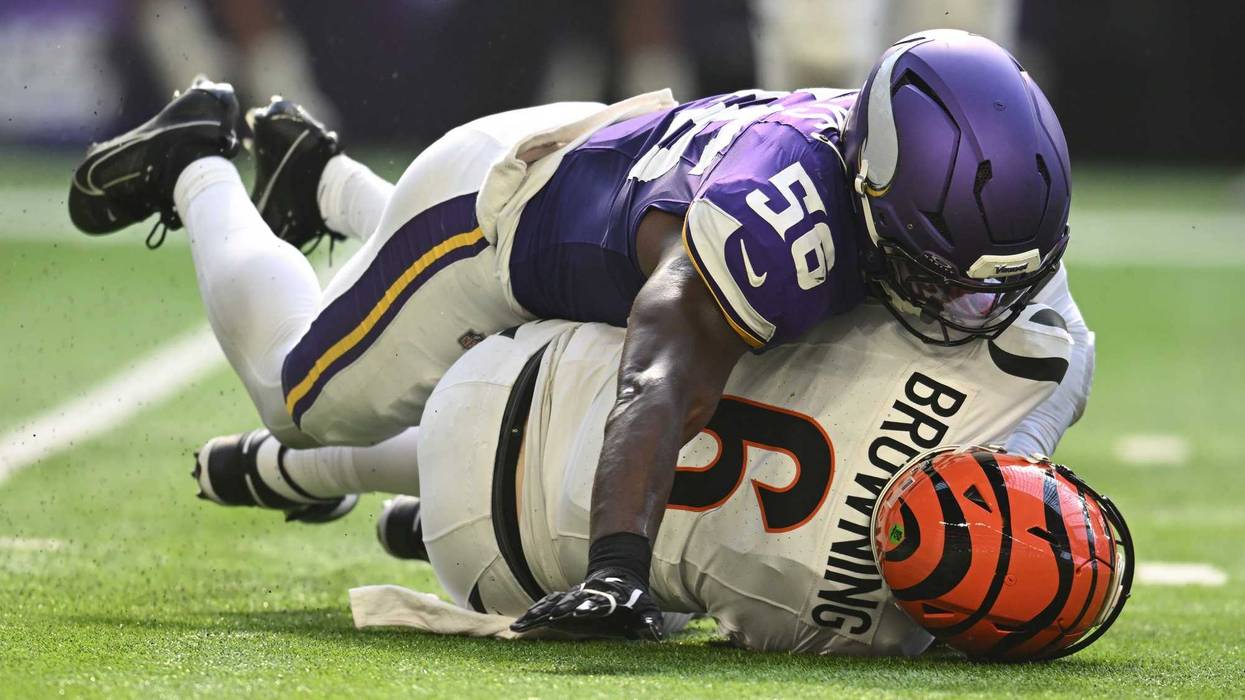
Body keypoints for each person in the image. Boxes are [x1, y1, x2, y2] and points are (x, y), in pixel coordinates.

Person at [67, 29, 1085, 638]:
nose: (968, 316)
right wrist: (616, 568)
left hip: (615, 182)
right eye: (941, 283)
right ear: (869, 195)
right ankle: (198, 159)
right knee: (299, 393)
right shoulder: (782, 221)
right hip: (489, 219)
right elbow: (655, 377)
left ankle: (326, 188)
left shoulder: (939, 221)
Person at [196, 296, 1080, 653]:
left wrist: (1031, 434)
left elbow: (1060, 340)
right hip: (487, 561)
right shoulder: (863, 636)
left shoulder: (1008, 378)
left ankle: (294, 460)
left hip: (522, 367)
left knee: (664, 350)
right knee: (678, 596)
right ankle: (370, 499)